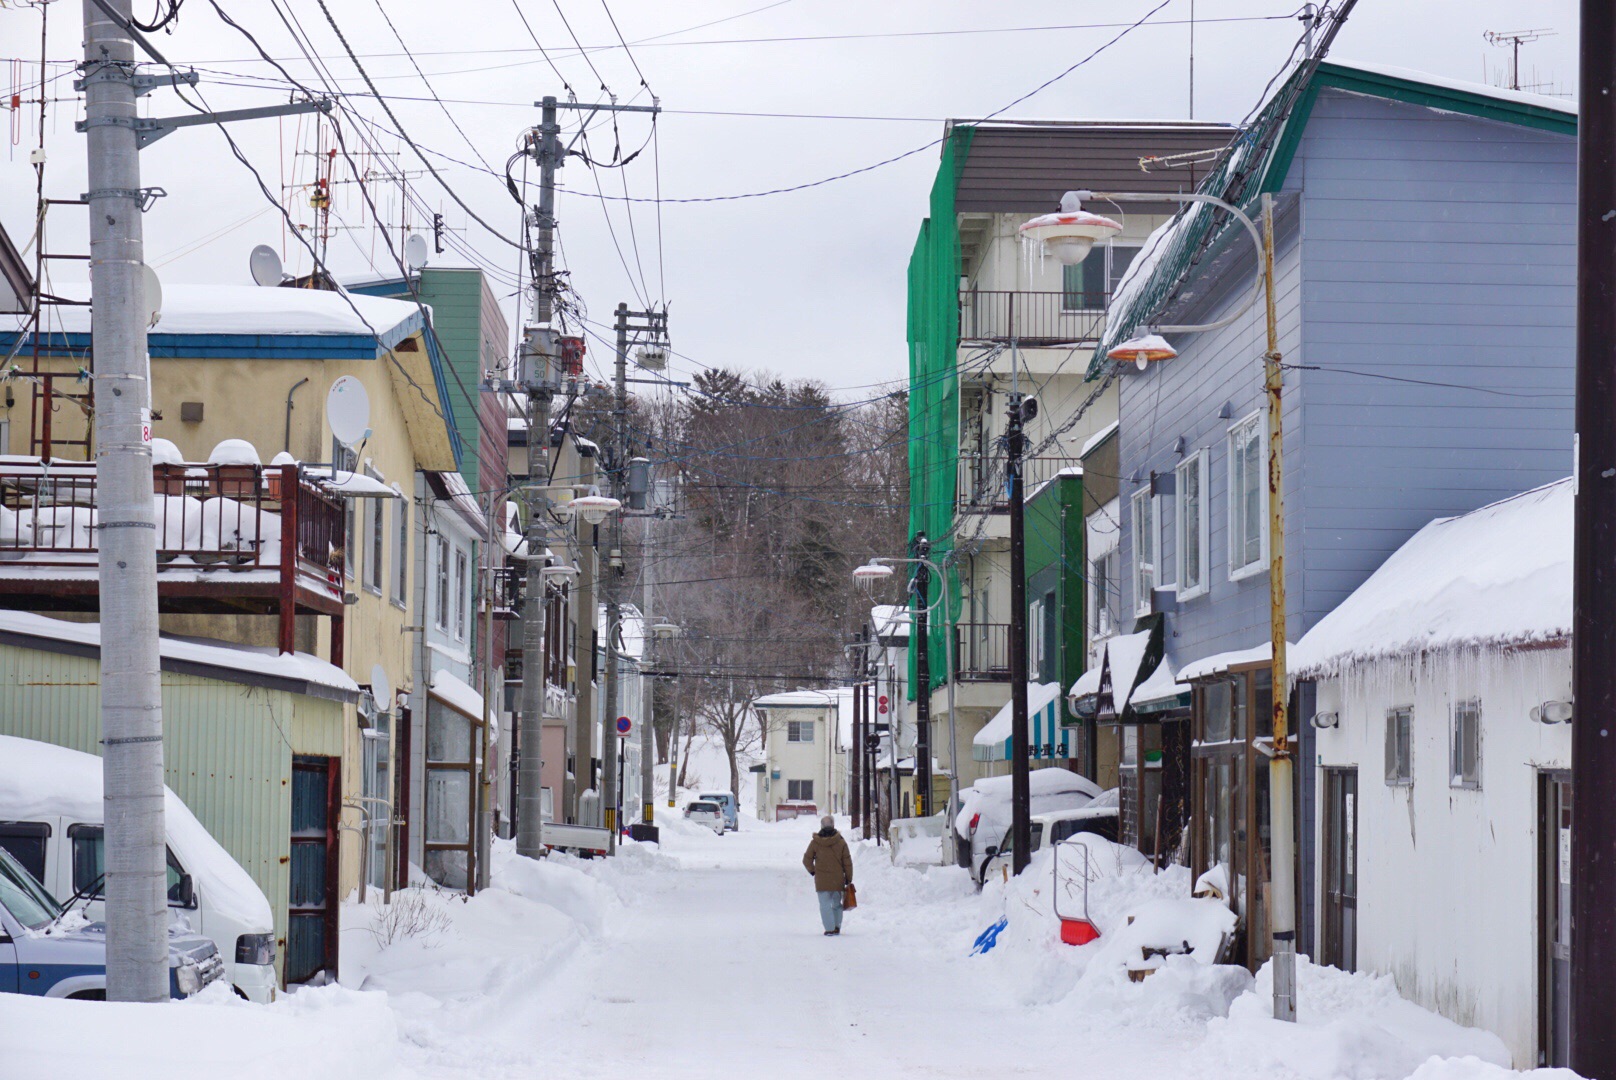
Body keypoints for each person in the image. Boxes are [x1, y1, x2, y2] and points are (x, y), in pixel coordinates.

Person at [802, 814, 853, 936]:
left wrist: (813, 871)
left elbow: (806, 860)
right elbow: (847, 862)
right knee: (837, 904)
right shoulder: (841, 842)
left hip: (822, 880)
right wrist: (848, 878)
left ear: (821, 826)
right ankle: (836, 927)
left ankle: (829, 929)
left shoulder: (815, 842)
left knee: (824, 905)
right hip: (837, 879)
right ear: (833, 825)